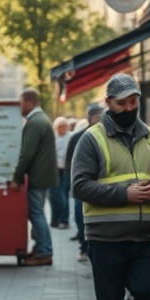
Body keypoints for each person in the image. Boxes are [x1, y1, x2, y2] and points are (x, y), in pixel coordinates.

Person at [72, 73, 150, 300]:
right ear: (108, 103)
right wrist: (125, 194)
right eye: (122, 104)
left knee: (149, 293)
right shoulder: (91, 139)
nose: (129, 108)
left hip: (145, 239)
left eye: (133, 102)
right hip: (104, 240)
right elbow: (79, 187)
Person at [10, 88, 58, 266]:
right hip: (44, 176)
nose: (20, 107)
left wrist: (16, 177)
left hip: (37, 177)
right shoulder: (42, 120)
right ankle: (40, 248)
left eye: (21, 103)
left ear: (30, 102)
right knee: (37, 212)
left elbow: (26, 154)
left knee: (36, 213)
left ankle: (44, 251)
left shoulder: (34, 123)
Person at [66, 103, 105, 262]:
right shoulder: (77, 137)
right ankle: (84, 247)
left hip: (103, 185)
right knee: (80, 217)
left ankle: (95, 246)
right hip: (82, 186)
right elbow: (70, 163)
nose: (98, 118)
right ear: (89, 117)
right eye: (96, 115)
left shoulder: (109, 136)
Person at [50, 116, 71, 229]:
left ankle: (64, 220)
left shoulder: (71, 137)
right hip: (55, 170)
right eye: (59, 127)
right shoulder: (54, 138)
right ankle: (55, 219)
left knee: (63, 194)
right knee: (54, 195)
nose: (62, 128)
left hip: (66, 170)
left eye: (64, 126)